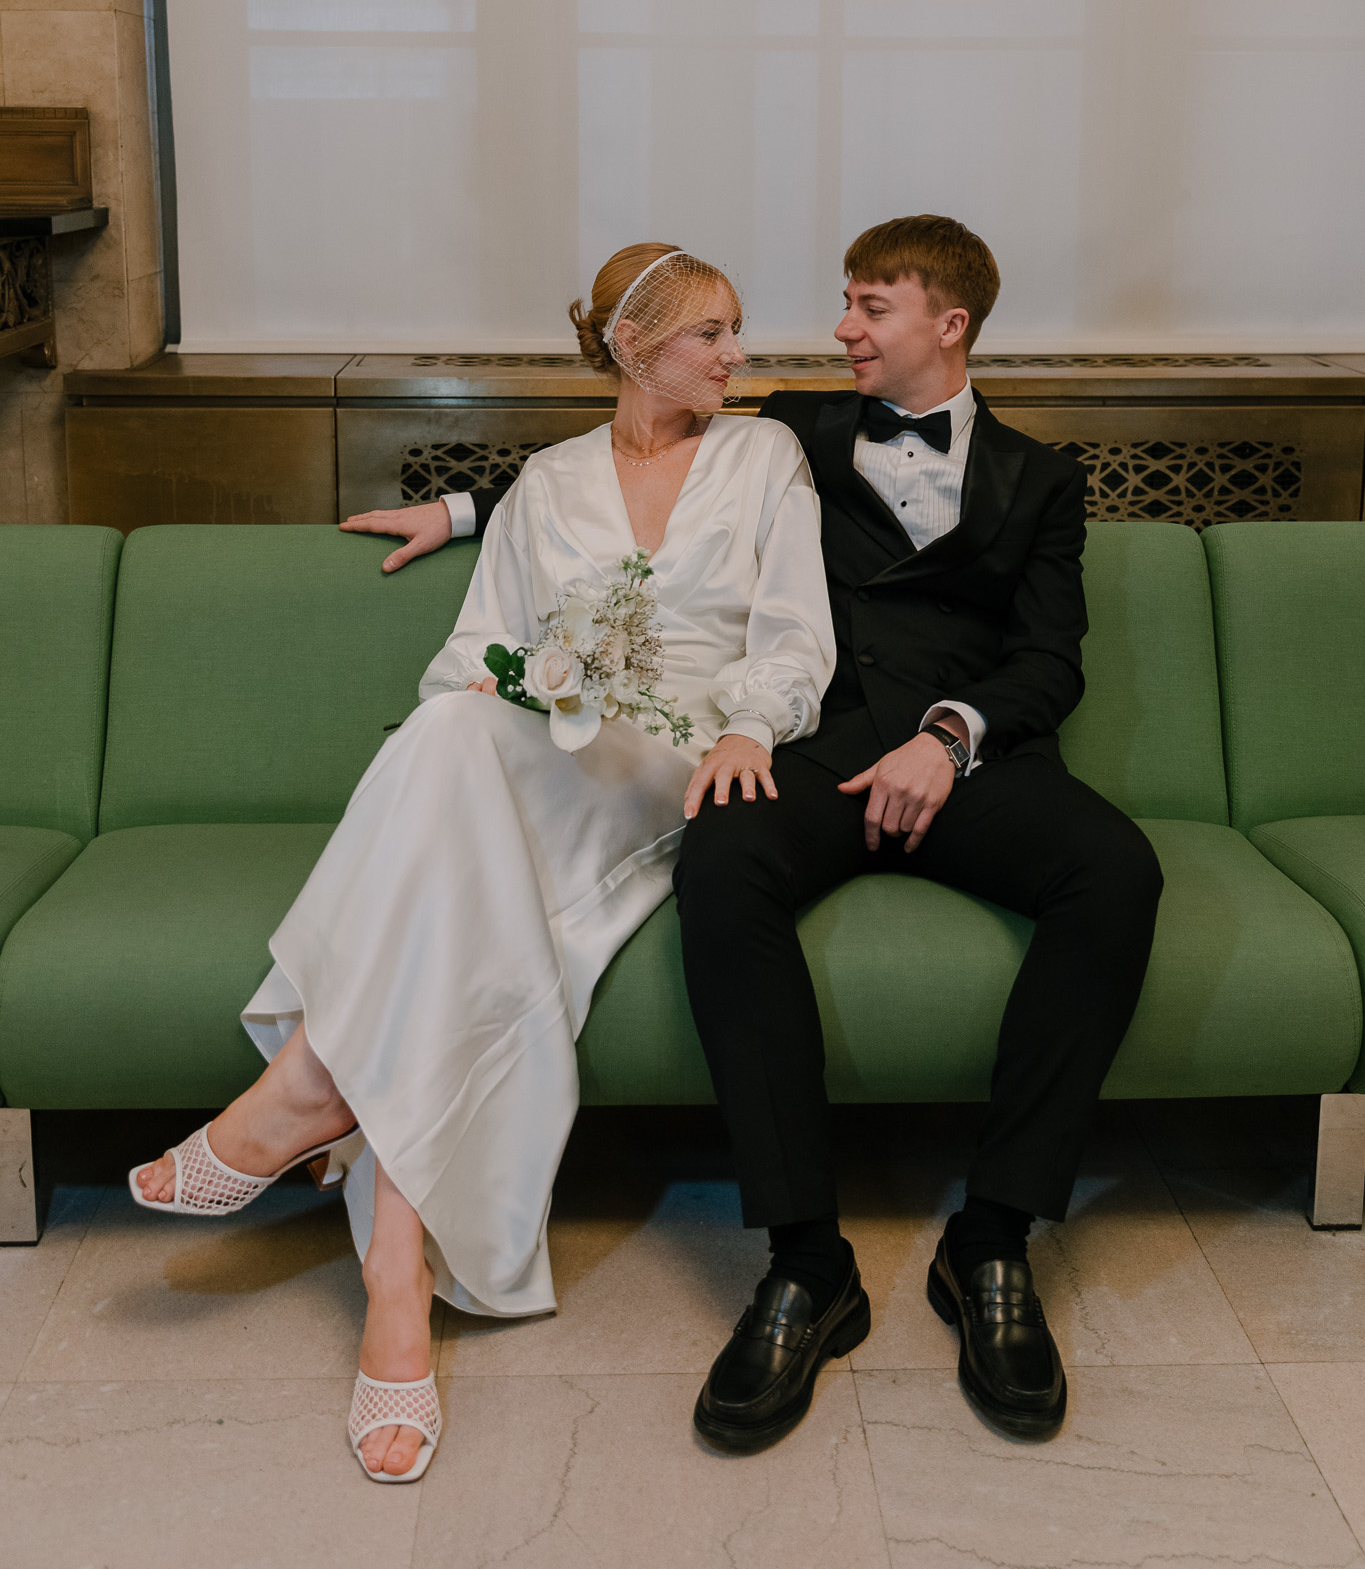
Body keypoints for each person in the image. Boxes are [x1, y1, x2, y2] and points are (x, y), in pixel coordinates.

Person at [128, 243, 835, 1483]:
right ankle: (395, 1279)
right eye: (708, 333)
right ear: (630, 345)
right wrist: (521, 667)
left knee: (451, 769)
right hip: (537, 763)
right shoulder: (548, 482)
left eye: (737, 330)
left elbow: (794, 638)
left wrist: (745, 724)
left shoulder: (767, 456)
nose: (736, 354)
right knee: (455, 749)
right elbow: (468, 661)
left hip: (675, 768)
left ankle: (305, 1089)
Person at [674, 214, 1164, 1450]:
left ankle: (993, 1236)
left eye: (870, 304)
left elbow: (1052, 659)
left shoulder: (1044, 477)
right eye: (846, 302)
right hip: (827, 743)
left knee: (1115, 871)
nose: (843, 326)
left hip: (967, 757)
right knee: (721, 853)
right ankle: (805, 1260)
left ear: (947, 324)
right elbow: (637, 465)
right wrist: (470, 509)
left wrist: (950, 738)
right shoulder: (797, 427)